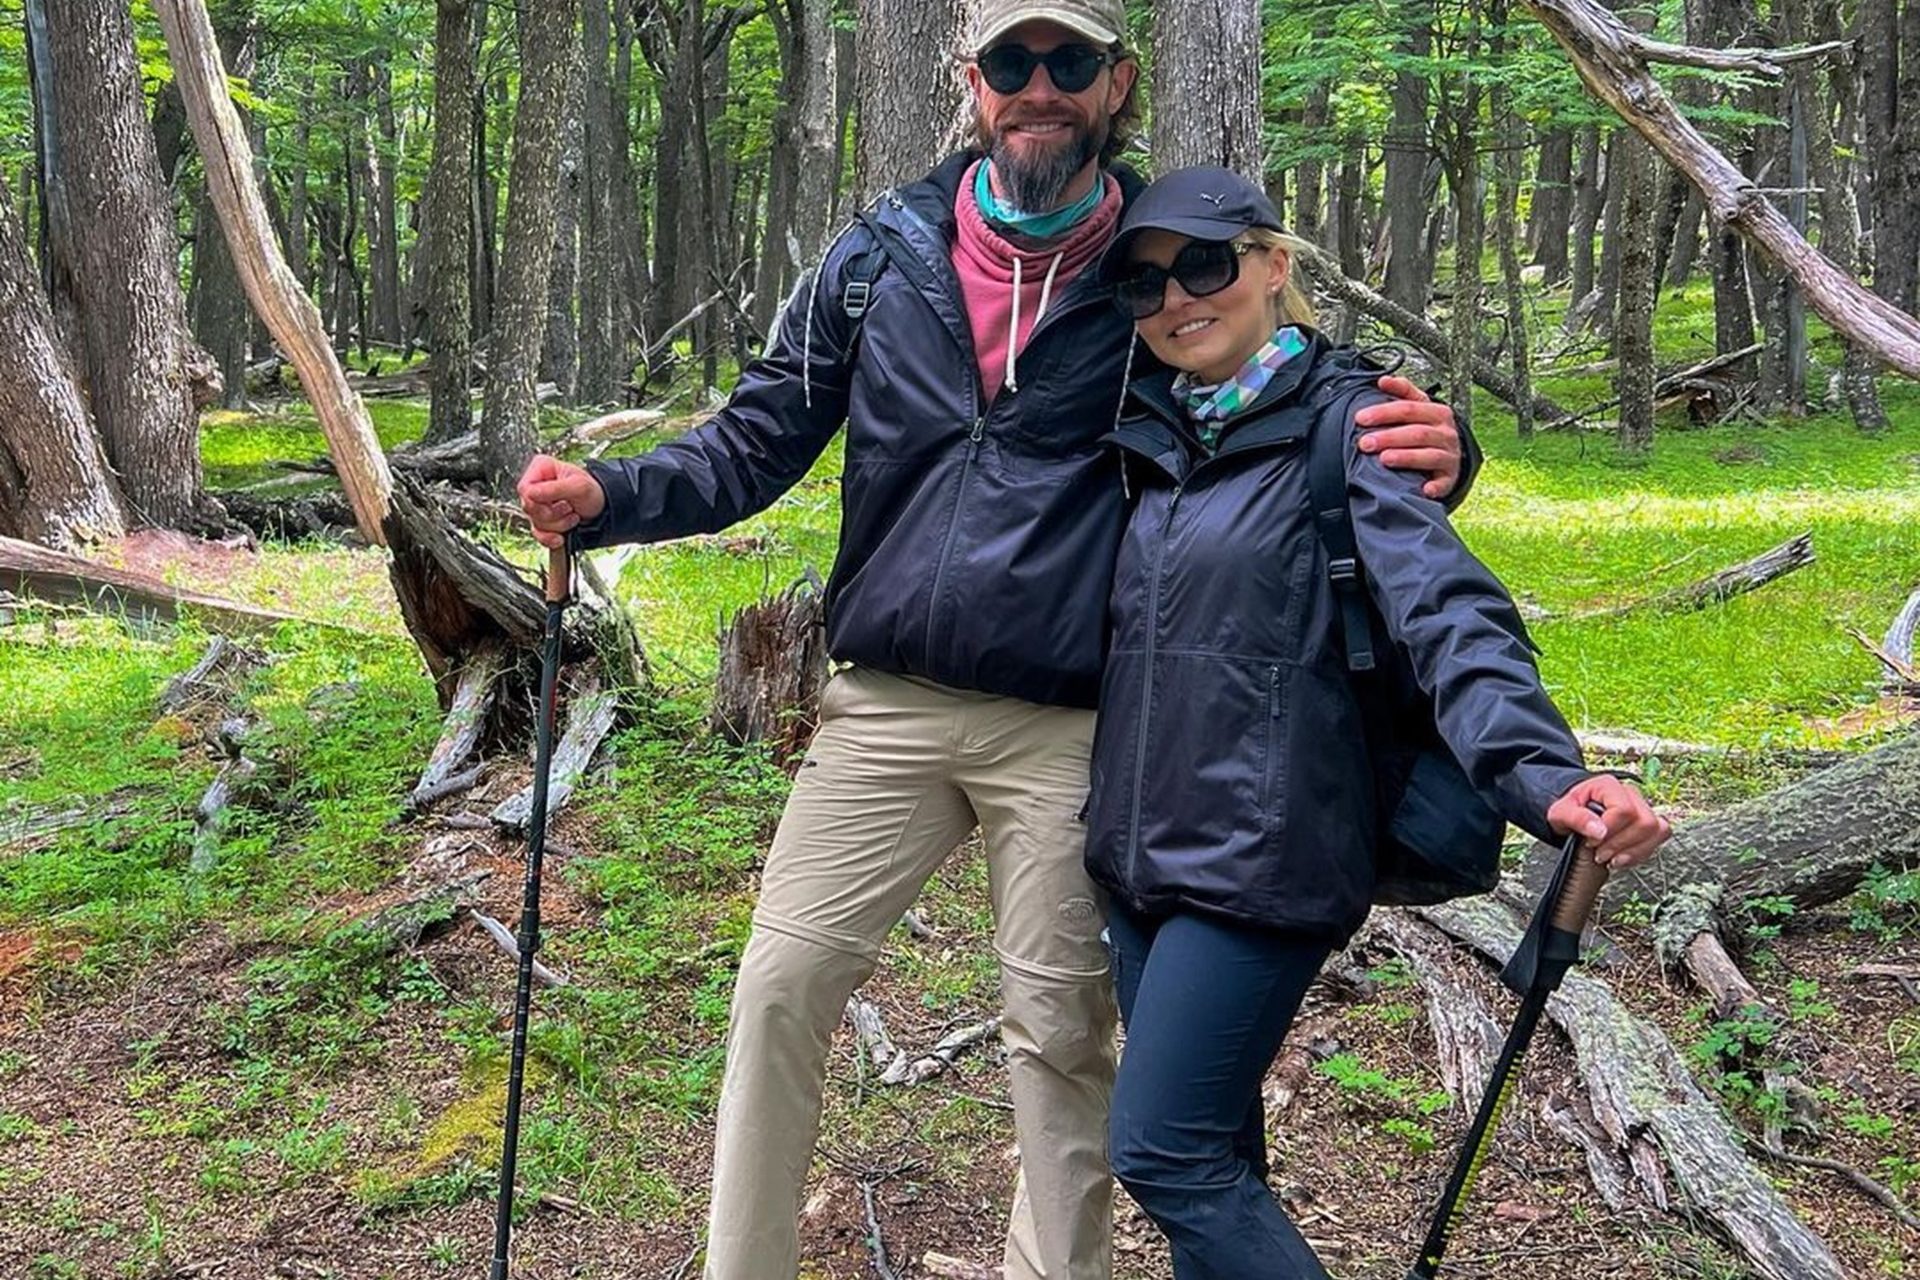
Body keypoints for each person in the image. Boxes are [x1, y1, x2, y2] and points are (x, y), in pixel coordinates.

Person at [518, 5, 1473, 1276]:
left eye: (1069, 64)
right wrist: (612, 495)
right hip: (883, 705)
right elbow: (755, 436)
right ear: (971, 84)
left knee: (1059, 1031)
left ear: (1115, 82)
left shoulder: (1152, 262)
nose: (1041, 88)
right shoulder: (881, 255)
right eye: (1013, 64)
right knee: (781, 987)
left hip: (1077, 719)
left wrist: (1448, 453)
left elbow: (1292, 382)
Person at [1084, 165, 1672, 1279]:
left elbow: (1453, 613)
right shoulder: (1150, 437)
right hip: (1136, 858)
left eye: (1203, 264)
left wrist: (1543, 771)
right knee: (1219, 1153)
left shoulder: (1356, 430)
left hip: (1264, 855)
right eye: (1145, 283)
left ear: (1273, 267)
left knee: (1165, 1152)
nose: (1174, 299)